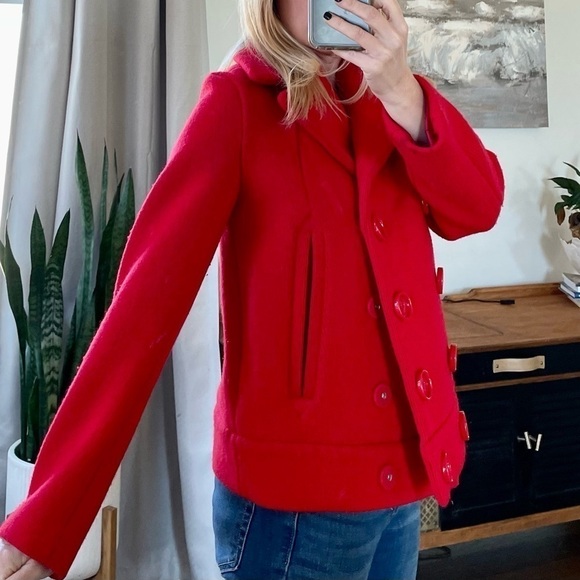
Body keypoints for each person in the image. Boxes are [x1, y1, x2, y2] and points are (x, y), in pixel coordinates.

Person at [0, 0, 504, 578]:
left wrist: (404, 92)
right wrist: (49, 519)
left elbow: (477, 207)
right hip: (294, 514)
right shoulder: (236, 105)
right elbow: (142, 309)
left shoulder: (391, 103)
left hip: (404, 483)